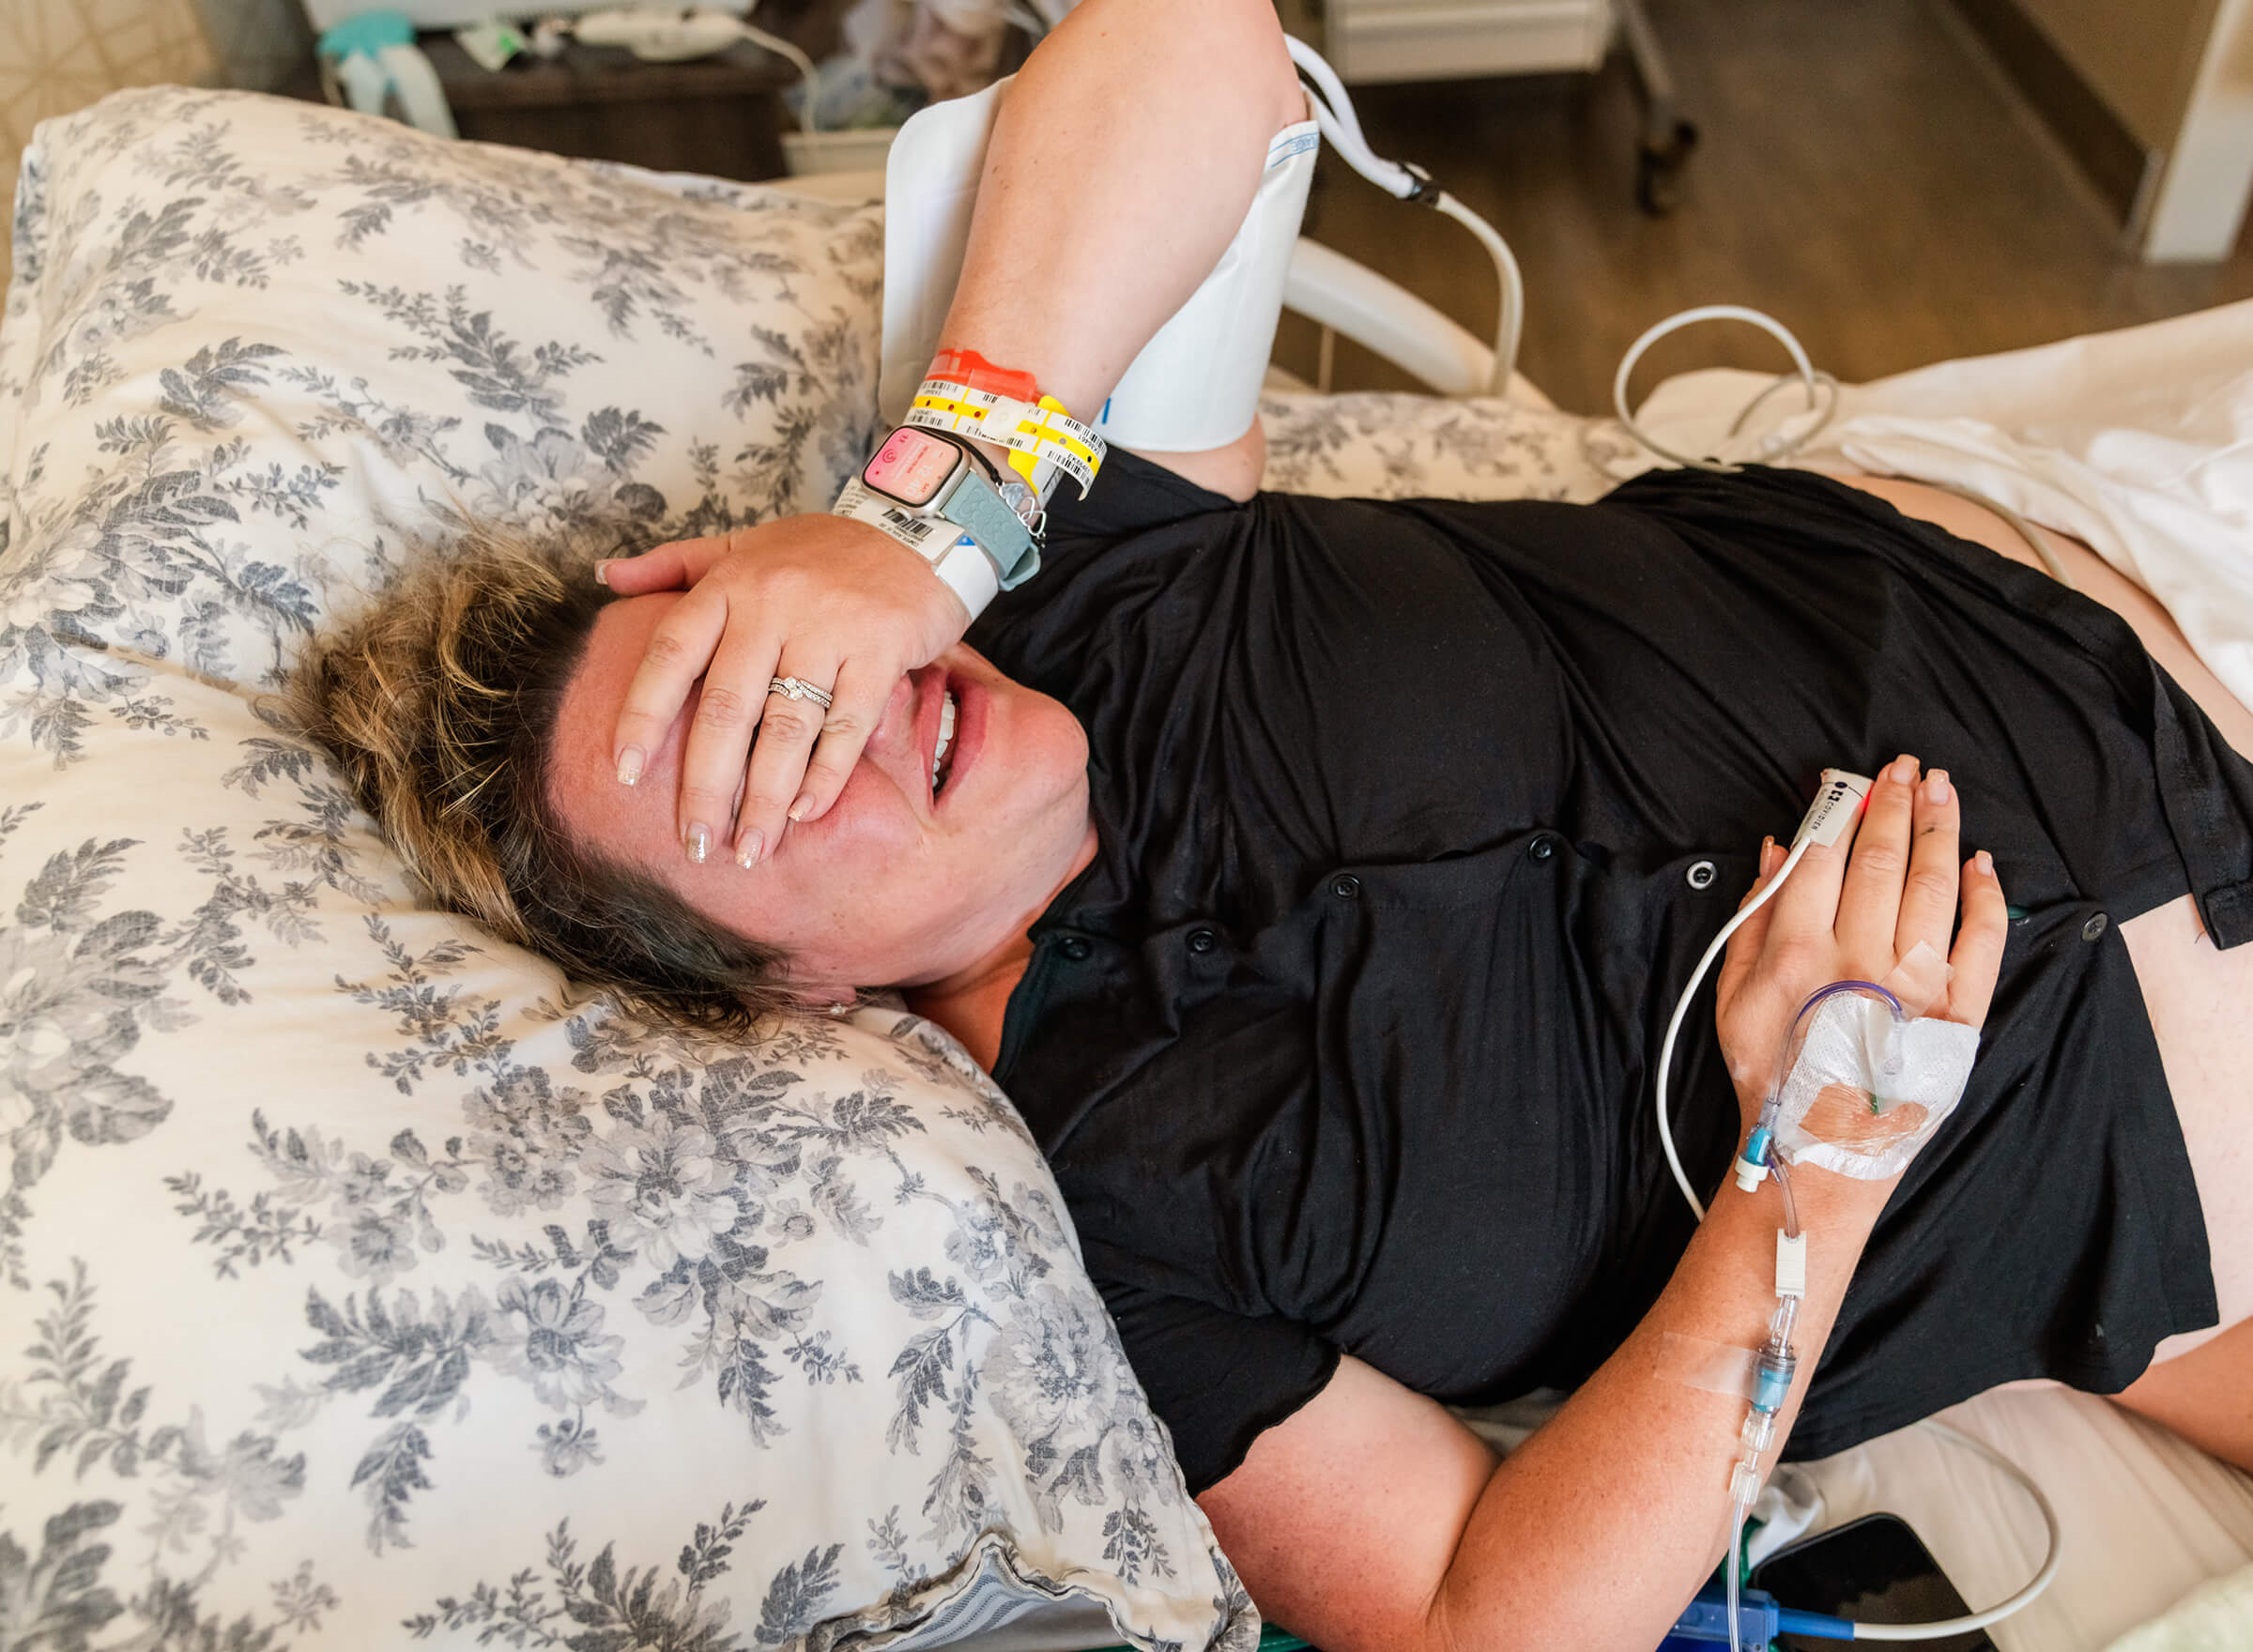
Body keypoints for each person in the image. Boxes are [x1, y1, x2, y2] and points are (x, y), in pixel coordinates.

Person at [292, 1, 2253, 1646]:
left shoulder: (1065, 570)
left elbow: (1205, 34)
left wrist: (925, 514)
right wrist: (1808, 1162)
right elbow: (1485, 1622)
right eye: (762, 777)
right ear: (778, 991)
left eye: (772, 660)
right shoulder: (1112, 1240)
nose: (854, 721)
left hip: (2156, 586)